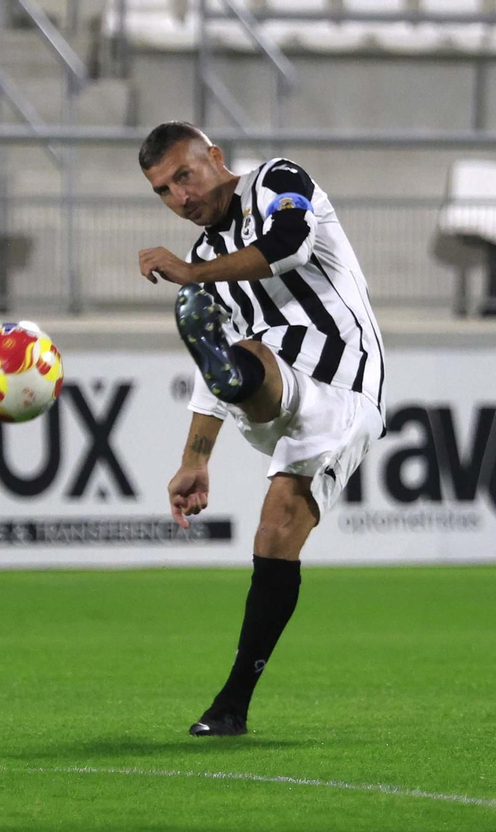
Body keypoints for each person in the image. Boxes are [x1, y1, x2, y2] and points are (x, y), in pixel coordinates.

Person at [137, 121, 386, 737]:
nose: (179, 199)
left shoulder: (278, 179)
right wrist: (195, 458)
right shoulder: (203, 259)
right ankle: (232, 709)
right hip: (273, 383)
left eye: (184, 176)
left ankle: (230, 705)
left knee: (275, 526)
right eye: (163, 191)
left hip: (342, 380)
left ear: (215, 158)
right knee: (235, 365)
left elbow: (292, 244)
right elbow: (207, 371)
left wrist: (196, 280)